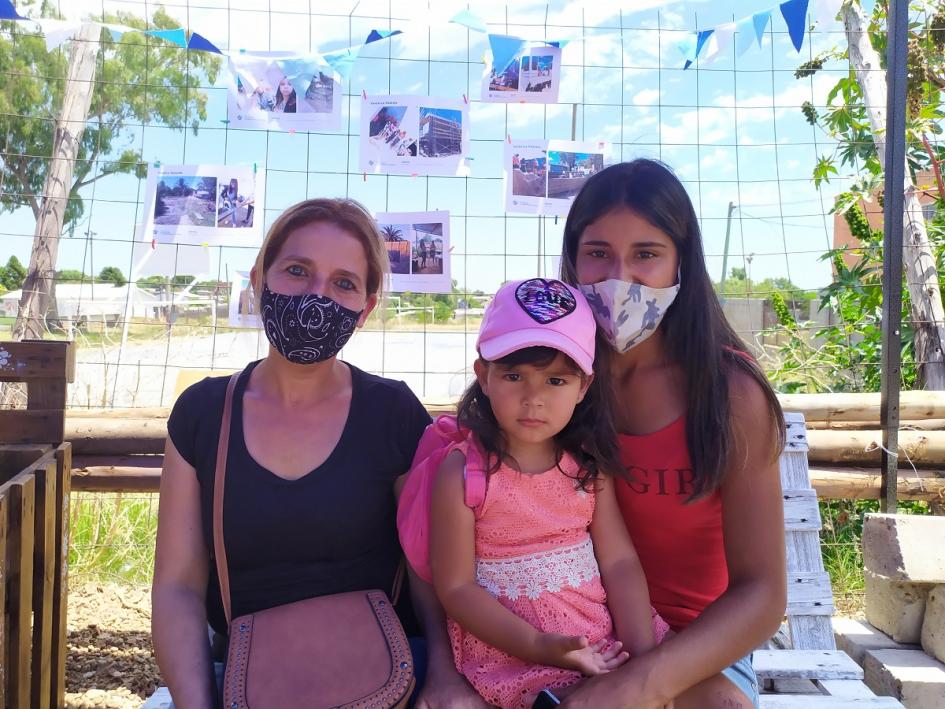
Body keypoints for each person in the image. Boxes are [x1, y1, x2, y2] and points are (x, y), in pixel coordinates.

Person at [152, 198, 488, 708]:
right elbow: (177, 586)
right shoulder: (203, 414)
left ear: (365, 309)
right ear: (259, 278)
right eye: (297, 271)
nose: (317, 296)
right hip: (245, 680)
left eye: (343, 283)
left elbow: (429, 568)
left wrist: (444, 675)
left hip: (390, 674)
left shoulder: (392, 412)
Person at [557, 159, 786, 708]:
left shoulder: (729, 393)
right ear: (571, 258)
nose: (621, 276)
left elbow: (762, 591)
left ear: (682, 261)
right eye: (597, 253)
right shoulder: (554, 380)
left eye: (646, 253)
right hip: (571, 637)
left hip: (698, 649)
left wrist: (642, 685)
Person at [426, 278, 670, 709]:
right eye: (515, 375)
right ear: (484, 376)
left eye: (556, 380)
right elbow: (457, 588)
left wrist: (643, 661)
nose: (533, 398)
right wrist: (539, 644)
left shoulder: (588, 466)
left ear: (584, 386)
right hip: (512, 652)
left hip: (603, 639)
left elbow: (619, 561)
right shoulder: (463, 472)